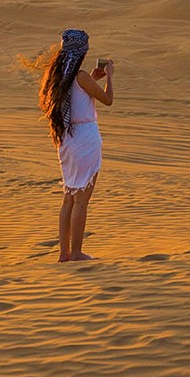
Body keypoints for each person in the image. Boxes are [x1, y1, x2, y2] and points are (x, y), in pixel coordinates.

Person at [38, 28, 114, 262]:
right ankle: (77, 252)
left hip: (67, 140)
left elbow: (79, 94)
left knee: (69, 197)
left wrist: (93, 79)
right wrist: (109, 76)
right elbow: (108, 100)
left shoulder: (59, 77)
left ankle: (65, 253)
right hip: (84, 138)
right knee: (82, 199)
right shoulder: (80, 76)